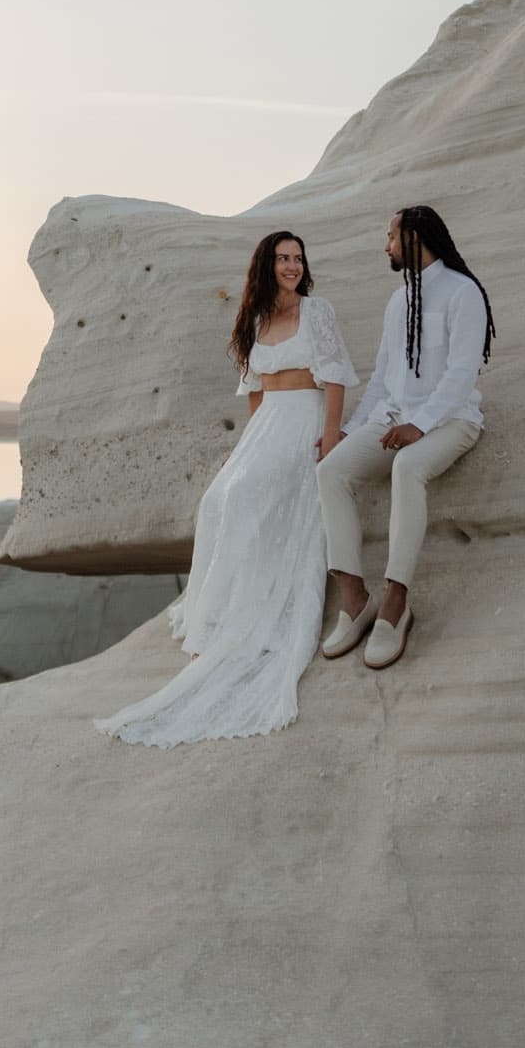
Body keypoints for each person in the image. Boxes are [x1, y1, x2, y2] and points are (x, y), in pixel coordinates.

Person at [94, 229, 360, 746]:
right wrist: (247, 452)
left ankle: (244, 617)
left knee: (243, 498)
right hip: (266, 427)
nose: (292, 267)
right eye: (283, 259)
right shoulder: (257, 321)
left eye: (298, 259)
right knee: (218, 499)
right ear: (265, 266)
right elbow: (255, 397)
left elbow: (335, 380)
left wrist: (330, 439)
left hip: (305, 420)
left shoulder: (317, 311)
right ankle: (214, 618)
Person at [315, 205, 496, 671]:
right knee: (331, 470)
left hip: (453, 419)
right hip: (393, 416)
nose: (386, 246)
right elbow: (381, 378)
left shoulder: (463, 292)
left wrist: (422, 423)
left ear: (416, 237)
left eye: (391, 237)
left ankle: (397, 602)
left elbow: (461, 372)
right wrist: (349, 431)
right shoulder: (398, 302)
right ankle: (355, 598)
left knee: (408, 466)